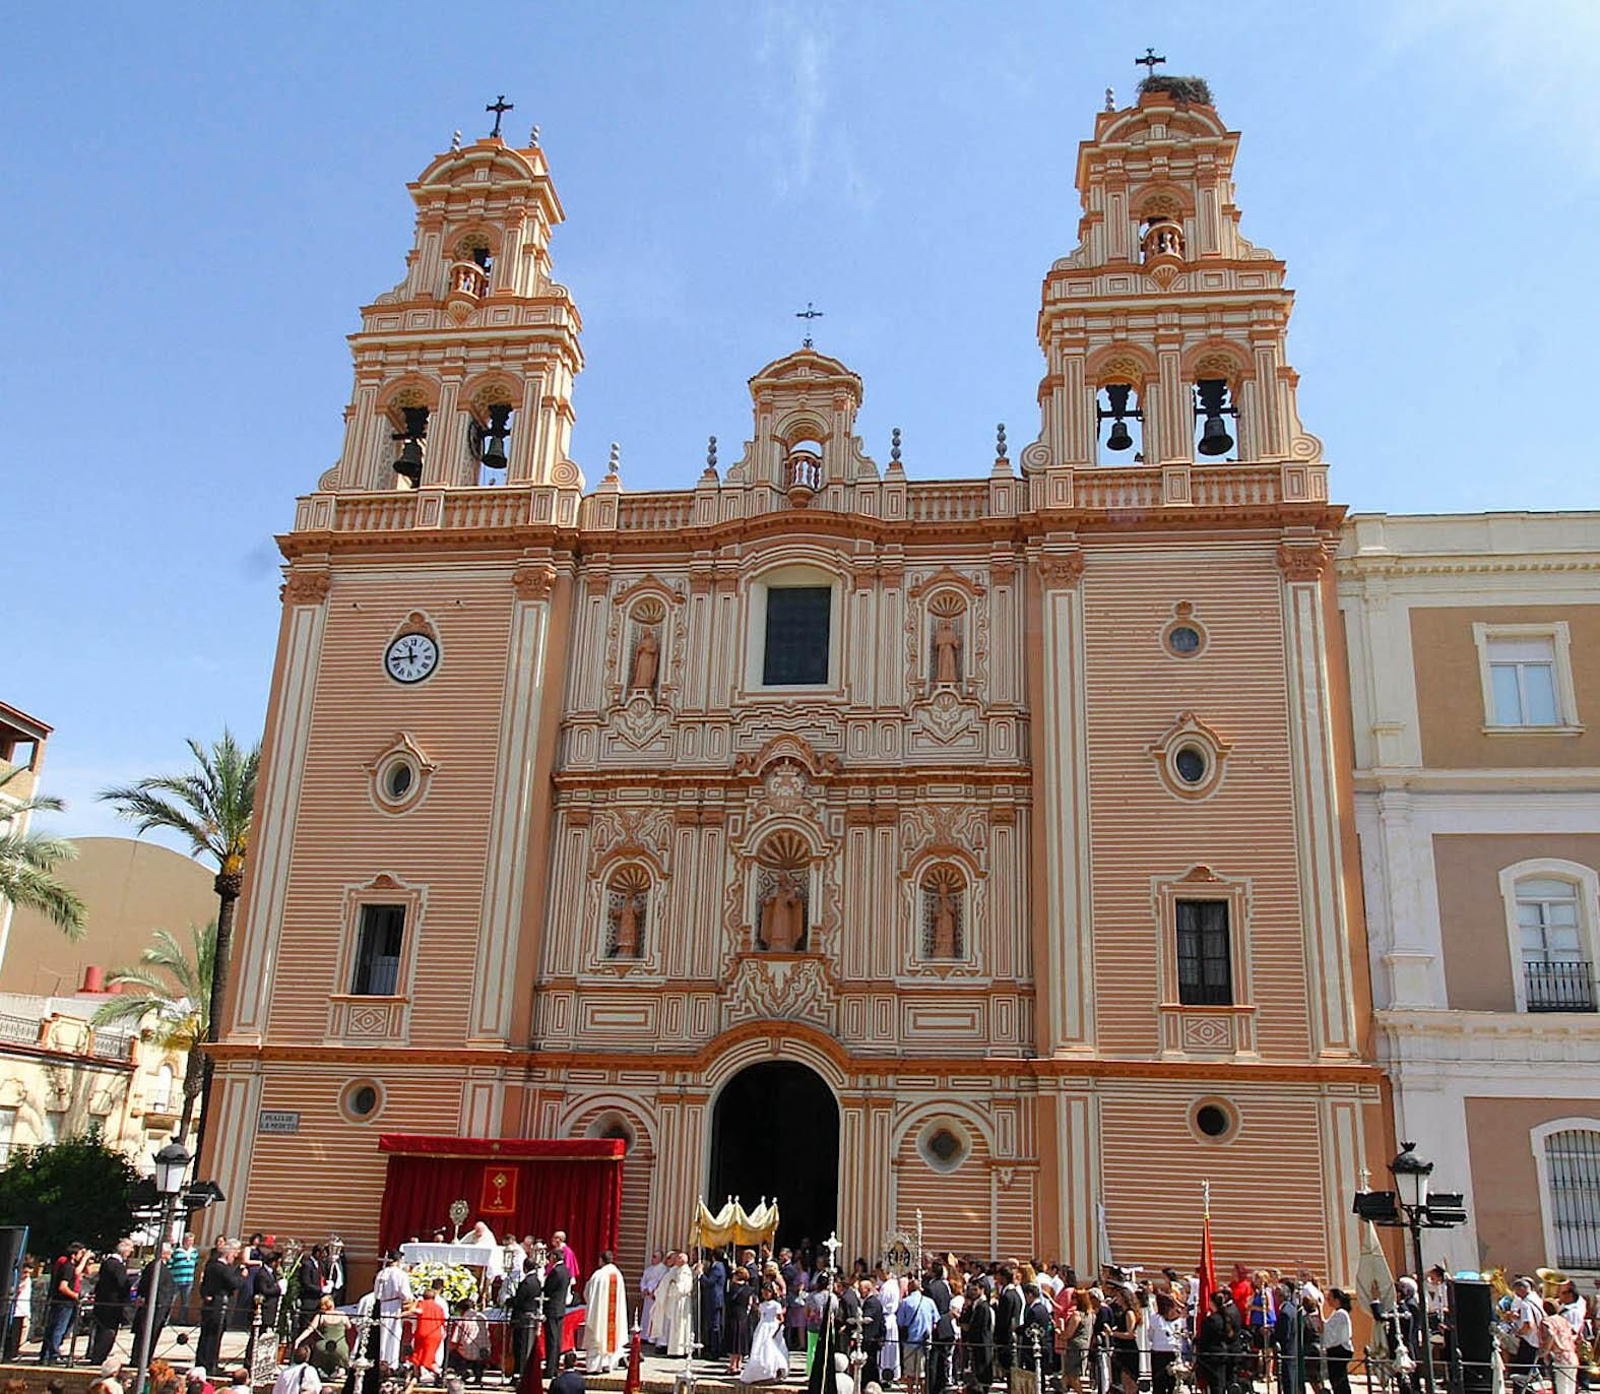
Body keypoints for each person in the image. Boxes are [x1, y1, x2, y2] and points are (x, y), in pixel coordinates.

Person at [197, 1241, 248, 1373]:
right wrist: (242, 1276)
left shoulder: (211, 1265)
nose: (234, 1256)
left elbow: (204, 1284)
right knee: (213, 1336)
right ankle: (209, 1364)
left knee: (207, 1335)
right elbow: (233, 1283)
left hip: (210, 1303)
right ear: (228, 1253)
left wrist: (205, 1295)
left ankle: (203, 1362)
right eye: (234, 1253)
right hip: (219, 1305)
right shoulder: (221, 1268)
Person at [40, 1241, 89, 1364]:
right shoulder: (67, 1267)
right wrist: (76, 1296)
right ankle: (53, 1356)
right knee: (59, 1329)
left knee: (55, 1328)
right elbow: (63, 1287)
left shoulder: (68, 1266)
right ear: (73, 1255)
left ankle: (46, 1355)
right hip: (65, 1302)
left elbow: (80, 1272)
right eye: (80, 1254)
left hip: (62, 1302)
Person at [88, 1240, 135, 1364]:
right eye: (130, 1248)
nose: (131, 1251)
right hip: (112, 1305)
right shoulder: (116, 1265)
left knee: (102, 1331)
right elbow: (122, 1284)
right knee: (107, 1332)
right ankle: (99, 1357)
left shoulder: (107, 1263)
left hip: (103, 1302)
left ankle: (96, 1355)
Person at [583, 1250, 629, 1374]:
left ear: (601, 1260)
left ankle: (594, 1367)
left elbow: (588, 1293)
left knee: (597, 1337)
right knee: (610, 1338)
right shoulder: (618, 1274)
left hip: (599, 1315)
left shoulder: (598, 1275)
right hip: (612, 1317)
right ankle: (607, 1365)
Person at [131, 1246, 175, 1371]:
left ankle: (142, 1358)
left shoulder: (159, 1266)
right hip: (155, 1307)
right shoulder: (156, 1267)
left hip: (158, 1306)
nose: (170, 1255)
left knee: (149, 1334)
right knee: (147, 1334)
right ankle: (141, 1359)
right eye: (169, 1252)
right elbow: (148, 1285)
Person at [372, 1251, 414, 1370]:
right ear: (398, 1261)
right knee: (393, 1334)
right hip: (394, 1306)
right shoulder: (401, 1275)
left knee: (382, 1334)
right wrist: (410, 1299)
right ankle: (391, 1364)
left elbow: (376, 1293)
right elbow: (405, 1294)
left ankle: (380, 1360)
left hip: (382, 1305)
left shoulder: (381, 1273)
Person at [297, 1294, 352, 1381]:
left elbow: (310, 1329)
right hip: (340, 1347)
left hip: (323, 1347)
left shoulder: (321, 1316)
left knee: (318, 1359)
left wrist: (298, 1339)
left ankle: (321, 1371)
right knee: (342, 1359)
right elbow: (349, 1326)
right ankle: (340, 1371)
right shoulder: (342, 1315)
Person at [743, 1282, 788, 1383]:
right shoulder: (762, 1305)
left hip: (772, 1326)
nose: (765, 1294)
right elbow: (759, 1311)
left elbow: (781, 1319)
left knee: (771, 1347)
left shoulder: (776, 1305)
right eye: (764, 1292)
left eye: (768, 1292)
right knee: (759, 1347)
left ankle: (776, 1369)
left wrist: (776, 1329)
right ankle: (761, 1371)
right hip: (762, 1327)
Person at [508, 1258, 546, 1376]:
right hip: (530, 1316)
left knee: (520, 1348)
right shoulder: (537, 1281)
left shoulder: (527, 1282)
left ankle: (519, 1373)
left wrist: (509, 1301)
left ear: (525, 1268)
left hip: (522, 1318)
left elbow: (520, 1300)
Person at [901, 1279, 937, 1394]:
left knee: (910, 1373)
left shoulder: (905, 1302)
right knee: (923, 1373)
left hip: (910, 1341)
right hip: (925, 1342)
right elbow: (935, 1321)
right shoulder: (930, 1302)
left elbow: (900, 1321)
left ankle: (910, 1392)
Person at [543, 1245, 574, 1377]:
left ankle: (550, 1369)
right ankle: (554, 1367)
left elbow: (548, 1289)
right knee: (557, 1338)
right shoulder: (566, 1270)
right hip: (560, 1308)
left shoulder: (555, 1272)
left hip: (552, 1308)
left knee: (552, 1339)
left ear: (554, 1257)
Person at [412, 1278, 449, 1382]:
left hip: (422, 1330)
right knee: (435, 1353)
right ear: (441, 1288)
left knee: (420, 1352)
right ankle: (435, 1371)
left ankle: (422, 1372)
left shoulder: (421, 1302)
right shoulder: (441, 1303)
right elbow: (445, 1318)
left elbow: (415, 1313)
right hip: (435, 1331)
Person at [960, 1280, 994, 1393]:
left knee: (982, 1370)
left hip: (982, 1343)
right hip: (976, 1343)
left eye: (976, 1290)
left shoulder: (983, 1306)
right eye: (972, 1290)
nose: (973, 1292)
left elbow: (980, 1326)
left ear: (982, 1289)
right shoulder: (975, 1304)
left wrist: (969, 1329)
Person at [1542, 1298, 1581, 1394]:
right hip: (1571, 1354)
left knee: (1561, 1386)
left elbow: (1551, 1335)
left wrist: (1545, 1352)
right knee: (1571, 1385)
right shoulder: (1564, 1320)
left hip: (1560, 1355)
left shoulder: (1547, 1321)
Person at [661, 1254, 695, 1360]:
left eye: (678, 1258)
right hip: (676, 1301)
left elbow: (684, 1288)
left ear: (683, 1260)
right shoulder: (677, 1269)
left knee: (680, 1325)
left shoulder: (686, 1272)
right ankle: (674, 1349)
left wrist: (673, 1284)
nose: (676, 1259)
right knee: (675, 1325)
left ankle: (680, 1350)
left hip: (682, 1301)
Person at [449, 1298, 490, 1386]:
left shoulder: (463, 1320)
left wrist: (451, 1348)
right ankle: (478, 1376)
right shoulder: (483, 1318)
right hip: (483, 1350)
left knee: (452, 1355)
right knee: (478, 1356)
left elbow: (455, 1339)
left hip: (467, 1351)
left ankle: (463, 1371)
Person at [1148, 1292, 1181, 1394]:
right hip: (1170, 1350)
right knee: (1171, 1380)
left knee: (1159, 1381)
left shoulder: (1154, 1319)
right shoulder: (1179, 1318)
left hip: (1159, 1351)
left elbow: (1150, 1336)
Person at [727, 1266, 757, 1376]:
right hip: (744, 1315)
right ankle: (739, 1364)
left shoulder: (733, 1287)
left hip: (734, 1314)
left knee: (733, 1340)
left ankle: (732, 1365)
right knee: (740, 1340)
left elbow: (729, 1300)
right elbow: (751, 1303)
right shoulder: (749, 1289)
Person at [1321, 1290, 1353, 1394]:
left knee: (1339, 1380)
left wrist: (1319, 1309)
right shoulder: (1336, 1313)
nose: (1328, 1300)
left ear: (1337, 1300)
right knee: (1335, 1379)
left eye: (1330, 1298)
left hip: (1340, 1349)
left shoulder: (1341, 1314)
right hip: (1336, 1349)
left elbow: (1327, 1328)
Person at [701, 1252, 729, 1362]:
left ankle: (715, 1350)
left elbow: (709, 1282)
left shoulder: (718, 1267)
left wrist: (701, 1274)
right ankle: (712, 1347)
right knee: (713, 1324)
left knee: (714, 1325)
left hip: (715, 1299)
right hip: (713, 1299)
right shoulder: (718, 1266)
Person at [169, 1236, 199, 1326]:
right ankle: (166, 1319)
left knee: (185, 1301)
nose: (189, 1242)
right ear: (184, 1241)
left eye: (191, 1241)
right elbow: (171, 1263)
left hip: (188, 1279)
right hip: (177, 1279)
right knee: (172, 1300)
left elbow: (196, 1263)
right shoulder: (177, 1251)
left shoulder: (194, 1252)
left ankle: (182, 1320)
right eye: (188, 1240)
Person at [6, 1261, 32, 1360]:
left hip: (24, 1311)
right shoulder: (16, 1281)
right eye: (25, 1272)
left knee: (22, 1333)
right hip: (16, 1311)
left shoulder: (27, 1281)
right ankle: (12, 1353)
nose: (27, 1275)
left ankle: (16, 1351)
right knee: (14, 1334)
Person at [639, 1250, 666, 1344]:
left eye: (655, 1257)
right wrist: (644, 1289)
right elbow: (643, 1280)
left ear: (660, 1258)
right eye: (653, 1256)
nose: (652, 1258)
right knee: (646, 1316)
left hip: (655, 1297)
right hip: (647, 1297)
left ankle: (652, 1337)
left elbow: (660, 1282)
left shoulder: (663, 1269)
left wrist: (652, 1291)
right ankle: (644, 1335)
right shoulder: (648, 1269)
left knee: (654, 1317)